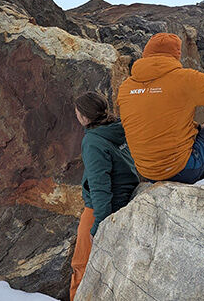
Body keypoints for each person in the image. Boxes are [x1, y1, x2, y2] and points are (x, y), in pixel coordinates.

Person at [117, 32, 204, 183]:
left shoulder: (126, 87)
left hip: (148, 173)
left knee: (200, 133)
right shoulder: (185, 79)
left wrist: (198, 128)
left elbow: (154, 121)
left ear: (145, 54)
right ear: (176, 55)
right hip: (183, 169)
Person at [69, 92, 139, 300]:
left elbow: (100, 186)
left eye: (77, 112)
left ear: (84, 116)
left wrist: (99, 223)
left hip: (100, 209)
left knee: (81, 266)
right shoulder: (117, 129)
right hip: (126, 198)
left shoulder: (93, 142)